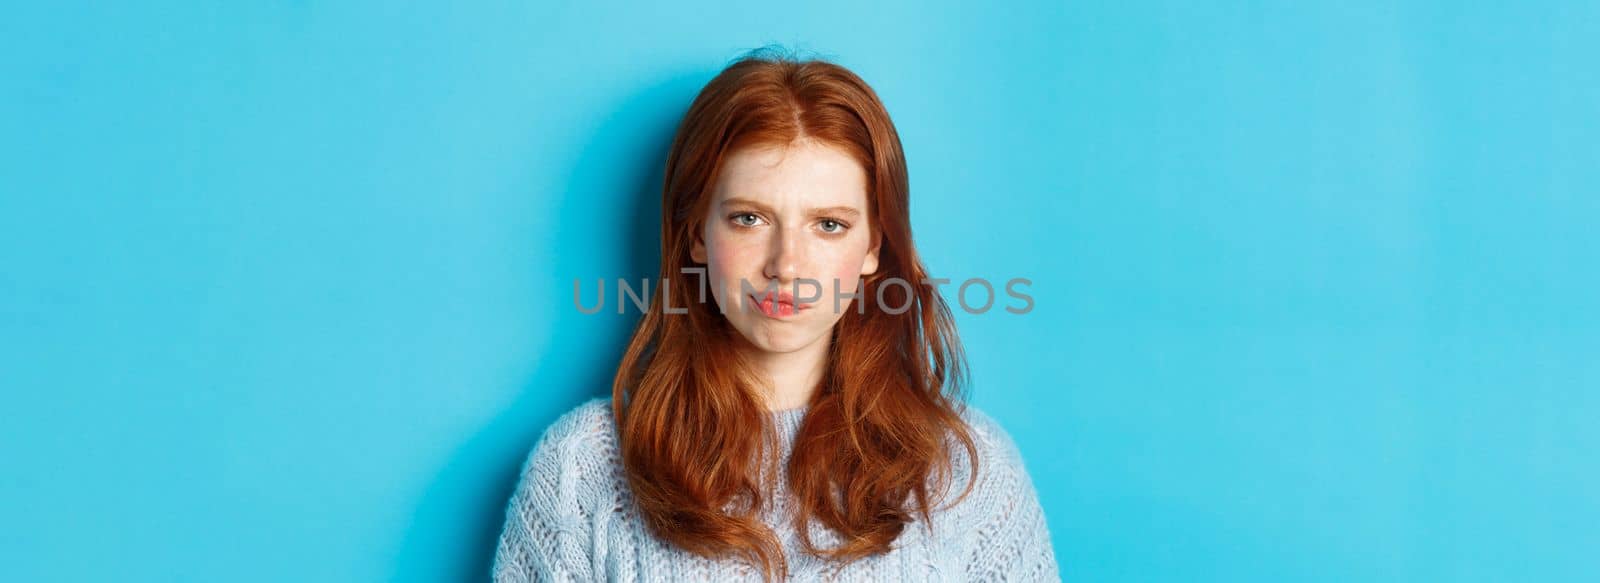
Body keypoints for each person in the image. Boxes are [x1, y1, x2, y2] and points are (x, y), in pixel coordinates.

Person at [493, 48, 1059, 582]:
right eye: (749, 218)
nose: (787, 265)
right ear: (696, 234)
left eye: (829, 224)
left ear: (872, 248)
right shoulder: (582, 467)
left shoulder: (968, 471)